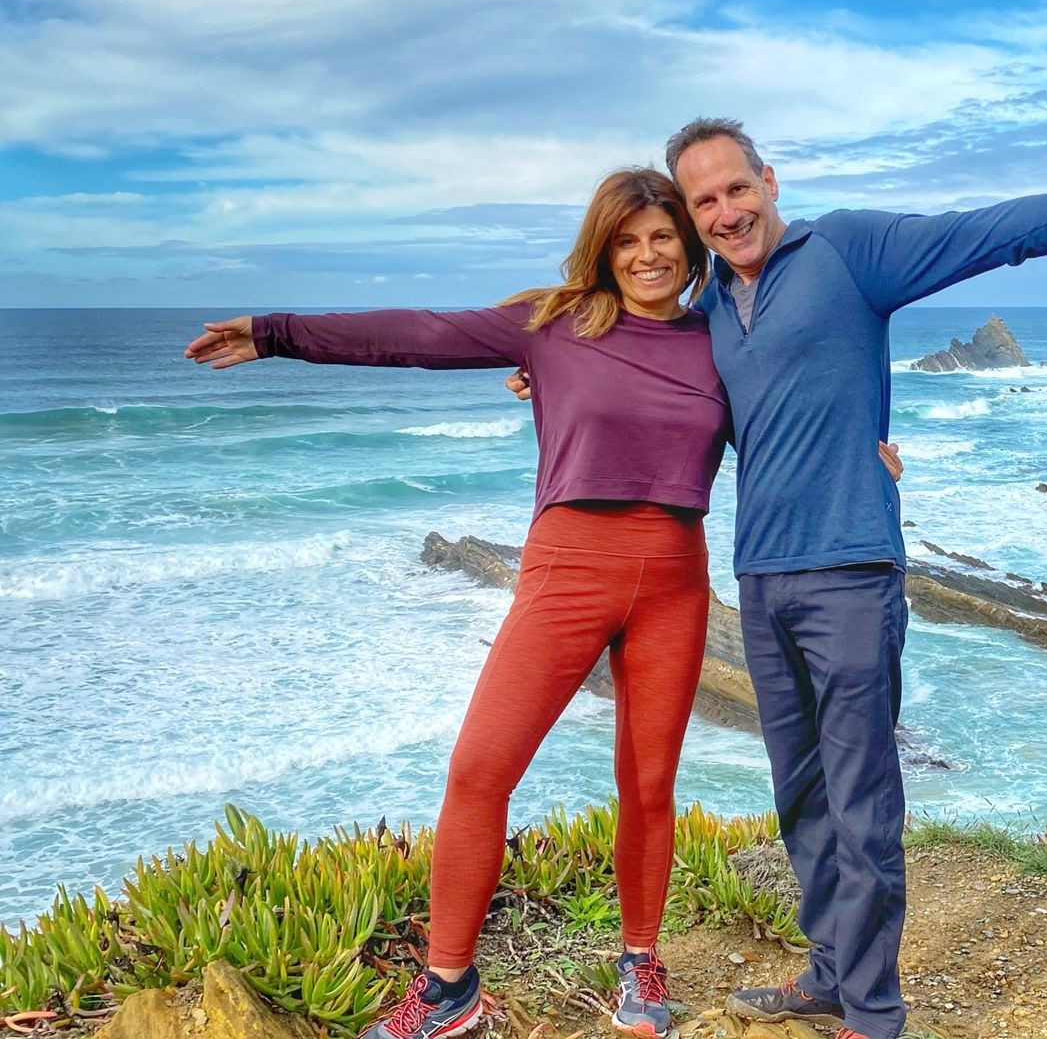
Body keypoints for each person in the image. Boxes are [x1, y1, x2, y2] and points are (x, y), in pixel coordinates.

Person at [511, 119, 1047, 1039]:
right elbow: (648, 387)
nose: (727, 212)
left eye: (737, 189)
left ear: (769, 180)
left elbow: (995, 232)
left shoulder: (850, 250)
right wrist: (551, 374)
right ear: (692, 219)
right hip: (761, 576)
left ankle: (875, 1013)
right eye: (705, 203)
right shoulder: (704, 325)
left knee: (862, 798)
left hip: (851, 570)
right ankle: (826, 973)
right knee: (801, 795)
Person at [181, 167, 903, 1039]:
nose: (646, 255)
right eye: (627, 240)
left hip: (675, 578)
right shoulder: (554, 324)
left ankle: (642, 959)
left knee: (647, 784)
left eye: (663, 237)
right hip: (568, 570)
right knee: (480, 770)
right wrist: (275, 333)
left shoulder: (718, 336)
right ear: (603, 248)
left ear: (689, 245)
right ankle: (450, 985)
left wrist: (869, 454)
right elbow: (417, 333)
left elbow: (799, 402)